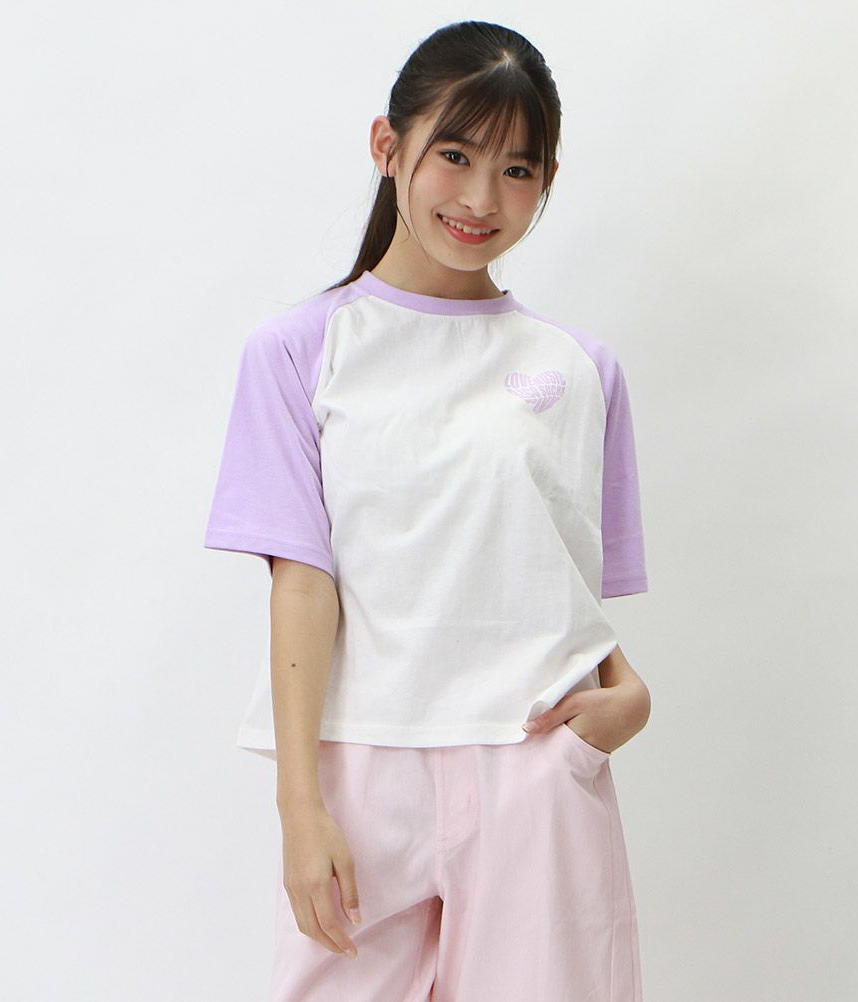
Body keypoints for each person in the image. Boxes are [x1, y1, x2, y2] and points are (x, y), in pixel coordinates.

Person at [204, 19, 652, 1002]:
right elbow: (302, 582)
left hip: (533, 762)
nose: (481, 198)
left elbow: (554, 578)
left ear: (547, 180)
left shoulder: (581, 370)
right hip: (362, 768)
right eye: (455, 154)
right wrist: (299, 805)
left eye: (517, 169)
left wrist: (630, 697)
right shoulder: (299, 352)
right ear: (387, 145)